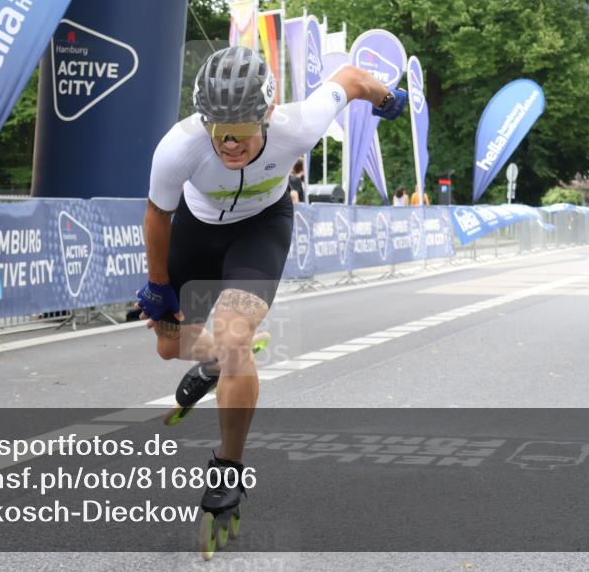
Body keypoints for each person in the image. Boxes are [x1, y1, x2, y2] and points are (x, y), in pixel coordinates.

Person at [137, 45, 407, 530]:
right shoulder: (179, 146)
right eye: (219, 130)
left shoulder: (299, 125)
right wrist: (159, 287)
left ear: (267, 114)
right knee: (167, 346)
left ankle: (227, 468)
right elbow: (158, 215)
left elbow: (350, 78)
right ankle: (213, 359)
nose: (230, 144)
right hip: (195, 230)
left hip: (261, 227)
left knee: (236, 336)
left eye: (241, 130)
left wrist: (387, 99)